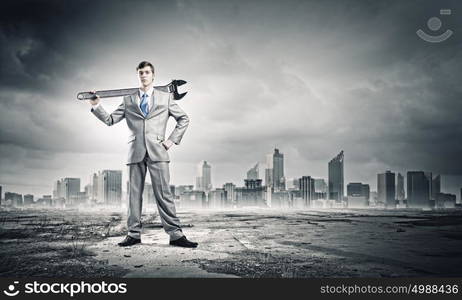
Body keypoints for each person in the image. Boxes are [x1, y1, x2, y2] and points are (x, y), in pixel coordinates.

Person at [89, 61, 198, 248]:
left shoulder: (165, 98)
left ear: (153, 75)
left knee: (164, 195)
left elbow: (184, 118)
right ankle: (133, 234)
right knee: (133, 195)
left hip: (159, 151)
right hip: (135, 153)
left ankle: (176, 235)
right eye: (141, 72)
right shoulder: (128, 100)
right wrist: (97, 105)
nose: (144, 75)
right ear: (138, 75)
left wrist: (171, 140)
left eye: (147, 72)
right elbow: (110, 120)